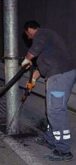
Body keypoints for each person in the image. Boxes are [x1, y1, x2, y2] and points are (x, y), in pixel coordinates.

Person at [21, 20, 76, 161]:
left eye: (27, 34)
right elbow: (40, 69)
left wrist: (27, 59)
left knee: (56, 111)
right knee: (52, 110)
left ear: (30, 30)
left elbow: (35, 49)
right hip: (59, 74)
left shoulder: (42, 33)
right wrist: (32, 81)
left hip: (59, 75)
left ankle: (63, 150)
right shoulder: (49, 45)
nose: (28, 38)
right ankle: (50, 139)